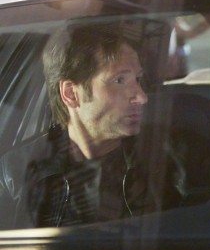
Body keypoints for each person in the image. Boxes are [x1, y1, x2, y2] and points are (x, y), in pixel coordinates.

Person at [0, 24, 187, 230]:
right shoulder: (16, 173)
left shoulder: (168, 159)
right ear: (71, 94)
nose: (142, 97)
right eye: (119, 80)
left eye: (138, 79)